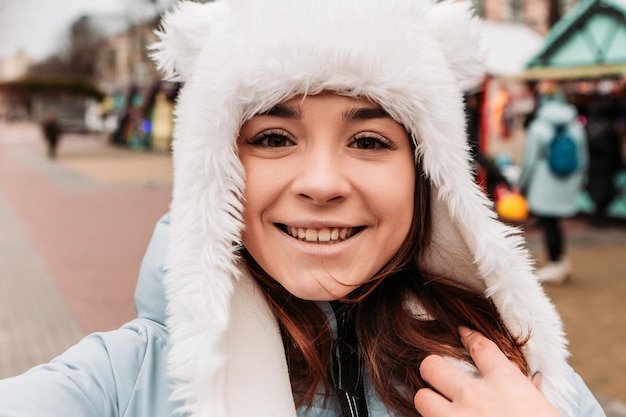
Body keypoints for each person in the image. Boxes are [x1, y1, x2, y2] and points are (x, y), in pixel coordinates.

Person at [0, 1, 604, 416]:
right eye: (273, 138)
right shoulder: (129, 380)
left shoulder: (518, 372)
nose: (320, 183)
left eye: (369, 141)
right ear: (216, 166)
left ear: (427, 177)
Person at [518, 80, 588, 285]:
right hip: (567, 181)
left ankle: (555, 263)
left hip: (543, 182)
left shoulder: (539, 126)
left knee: (548, 223)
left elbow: (529, 159)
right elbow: (583, 157)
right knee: (556, 223)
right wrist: (582, 180)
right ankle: (561, 261)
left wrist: (522, 182)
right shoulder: (576, 125)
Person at [584, 97, 623, 227]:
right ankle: (599, 216)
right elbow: (614, 149)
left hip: (595, 165)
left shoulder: (591, 126)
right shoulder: (609, 128)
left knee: (597, 190)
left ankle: (597, 215)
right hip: (606, 166)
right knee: (605, 190)